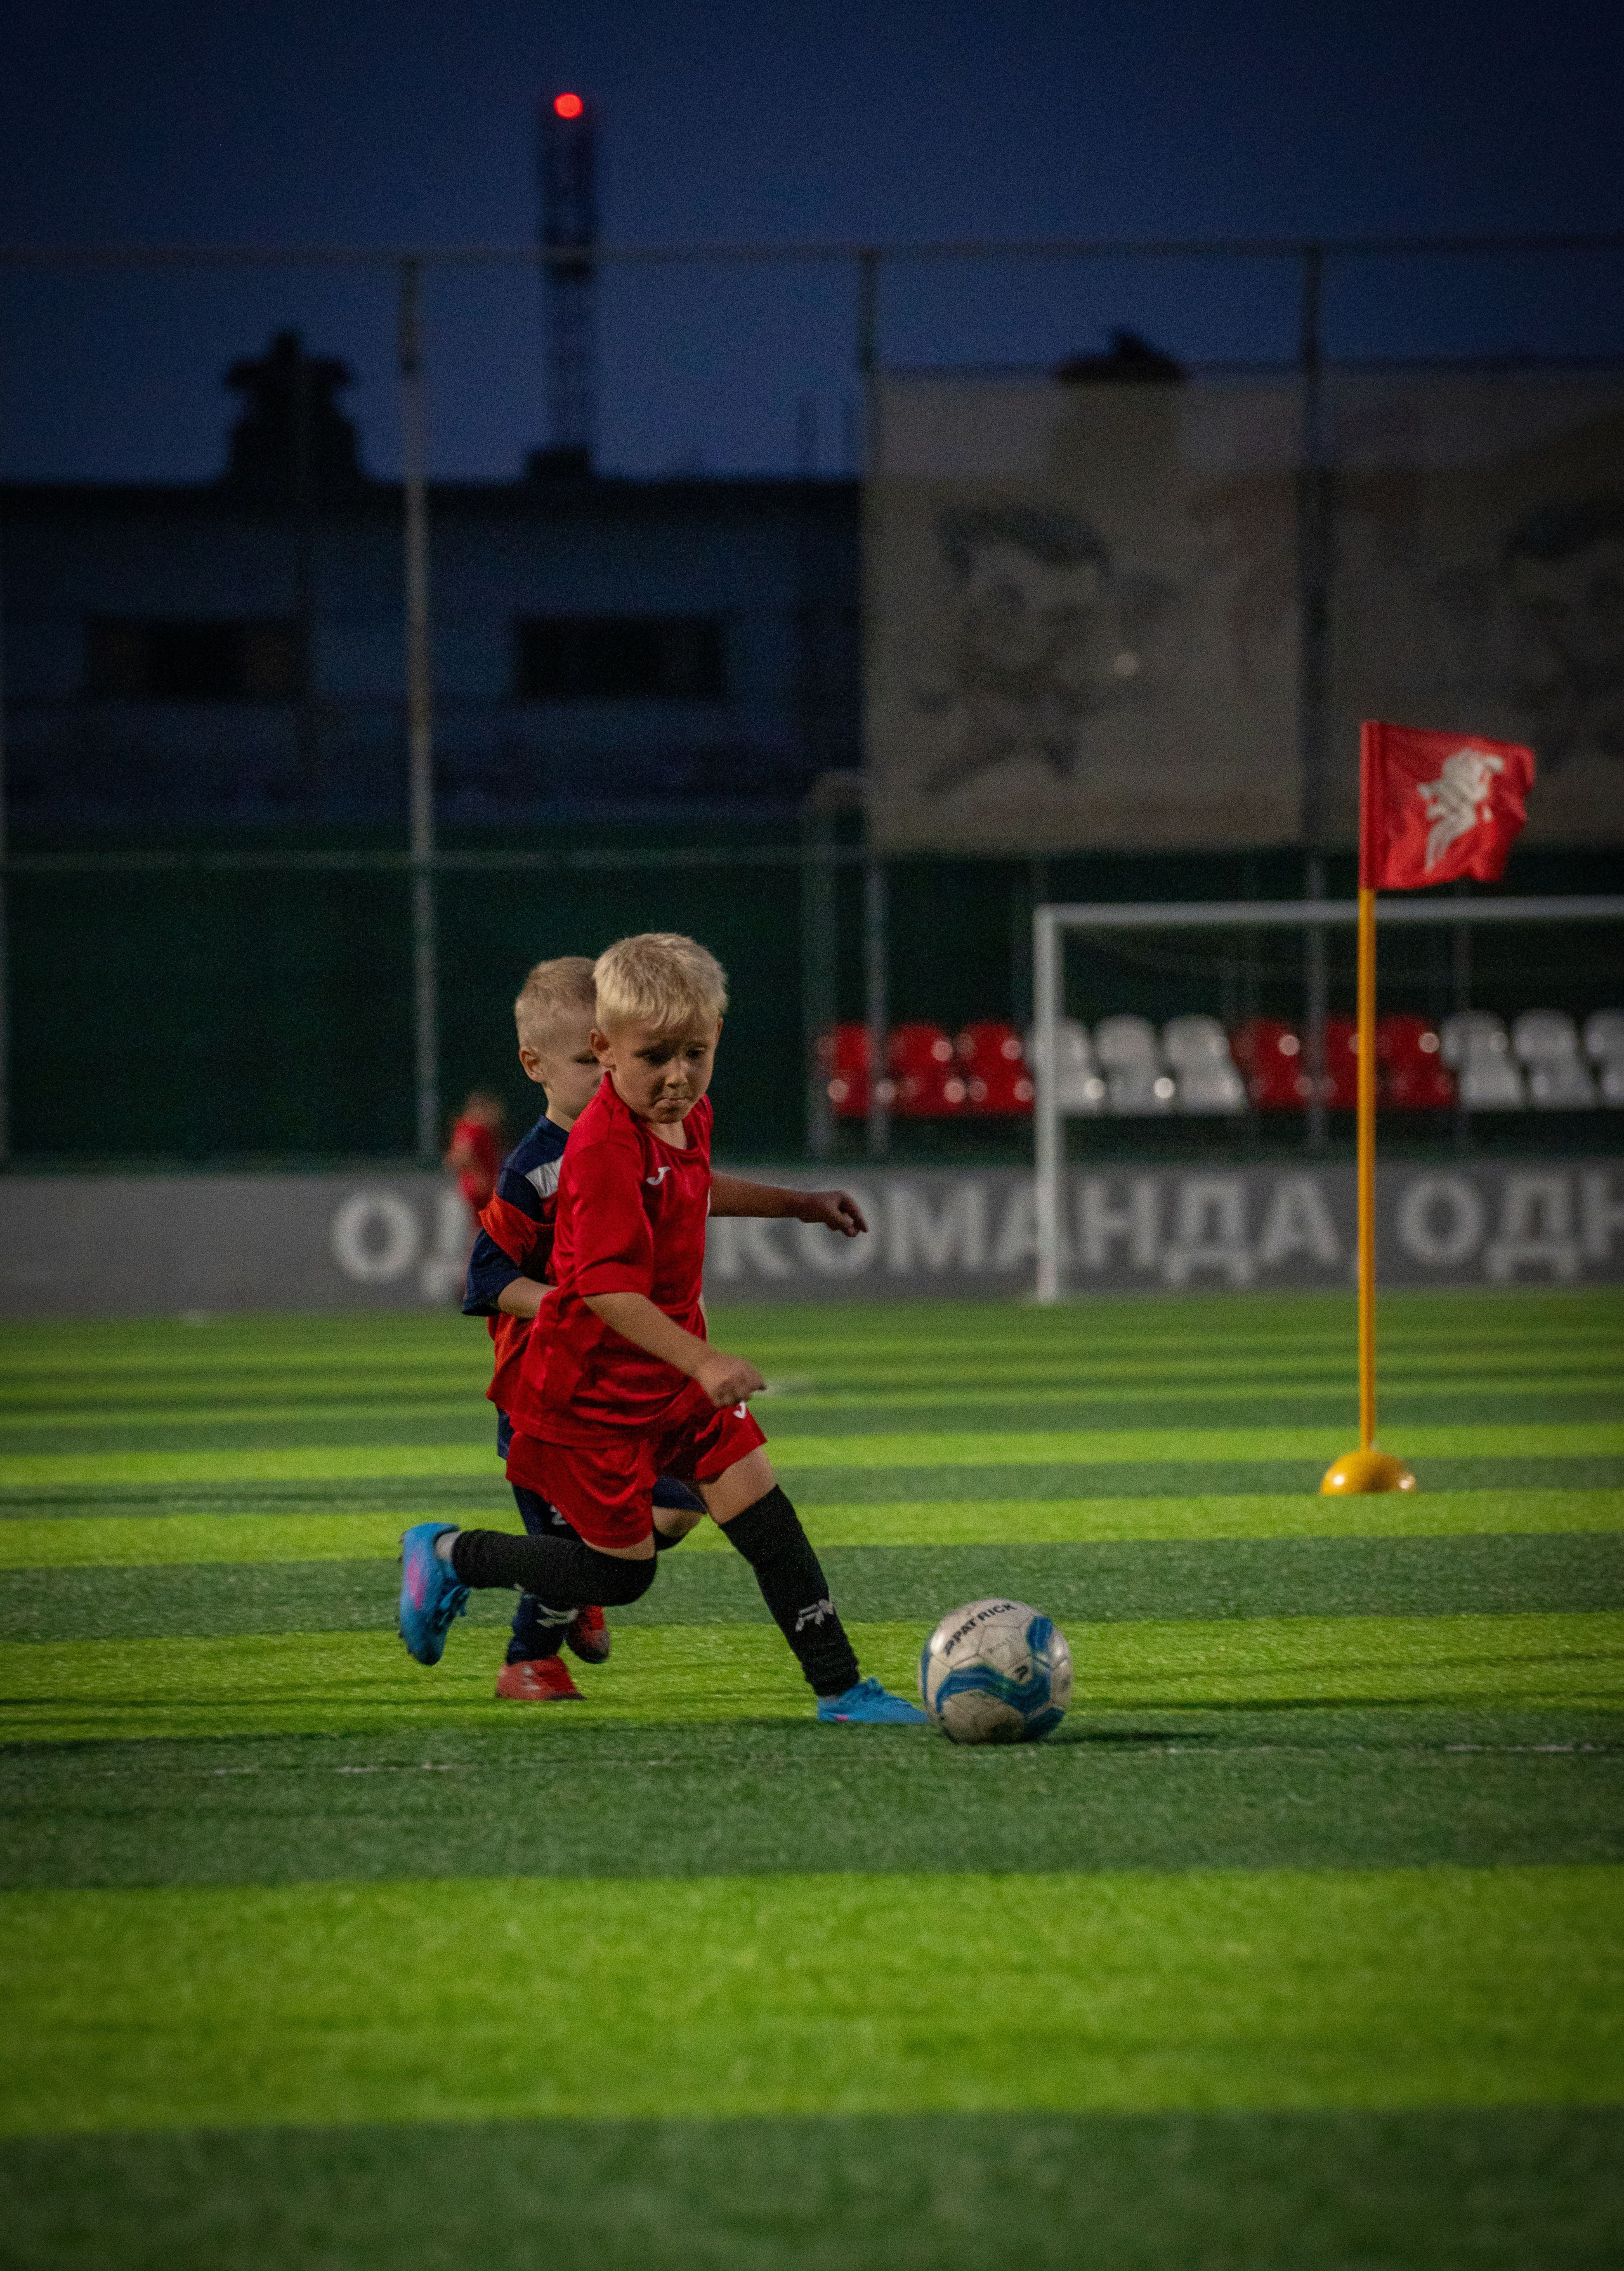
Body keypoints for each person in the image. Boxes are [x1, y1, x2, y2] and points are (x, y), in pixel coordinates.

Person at [402, 931, 926, 1726]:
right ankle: (451, 1555)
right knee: (621, 1575)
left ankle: (842, 1689)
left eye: (695, 1053)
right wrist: (705, 1359)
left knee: (765, 1516)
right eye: (655, 1057)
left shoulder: (683, 1112)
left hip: (668, 1374)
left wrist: (799, 1204)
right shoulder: (598, 1149)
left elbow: (691, 1185)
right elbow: (605, 1289)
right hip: (591, 1393)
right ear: (605, 1050)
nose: (678, 1076)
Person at [462, 956, 707, 1701]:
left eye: (612, 1056)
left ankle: (588, 1578)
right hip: (547, 1394)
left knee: (679, 1505)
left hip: (626, 1388)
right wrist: (567, 1304)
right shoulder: (532, 1171)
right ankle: (526, 1662)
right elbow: (488, 1278)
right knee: (565, 1545)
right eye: (583, 1061)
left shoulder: (639, 1140)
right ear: (534, 1066)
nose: (605, 1076)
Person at [443, 1090, 508, 1215]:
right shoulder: (474, 1129)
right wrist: (480, 1175)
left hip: (477, 1192)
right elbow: (459, 1158)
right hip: (477, 1192)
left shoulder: (467, 1127)